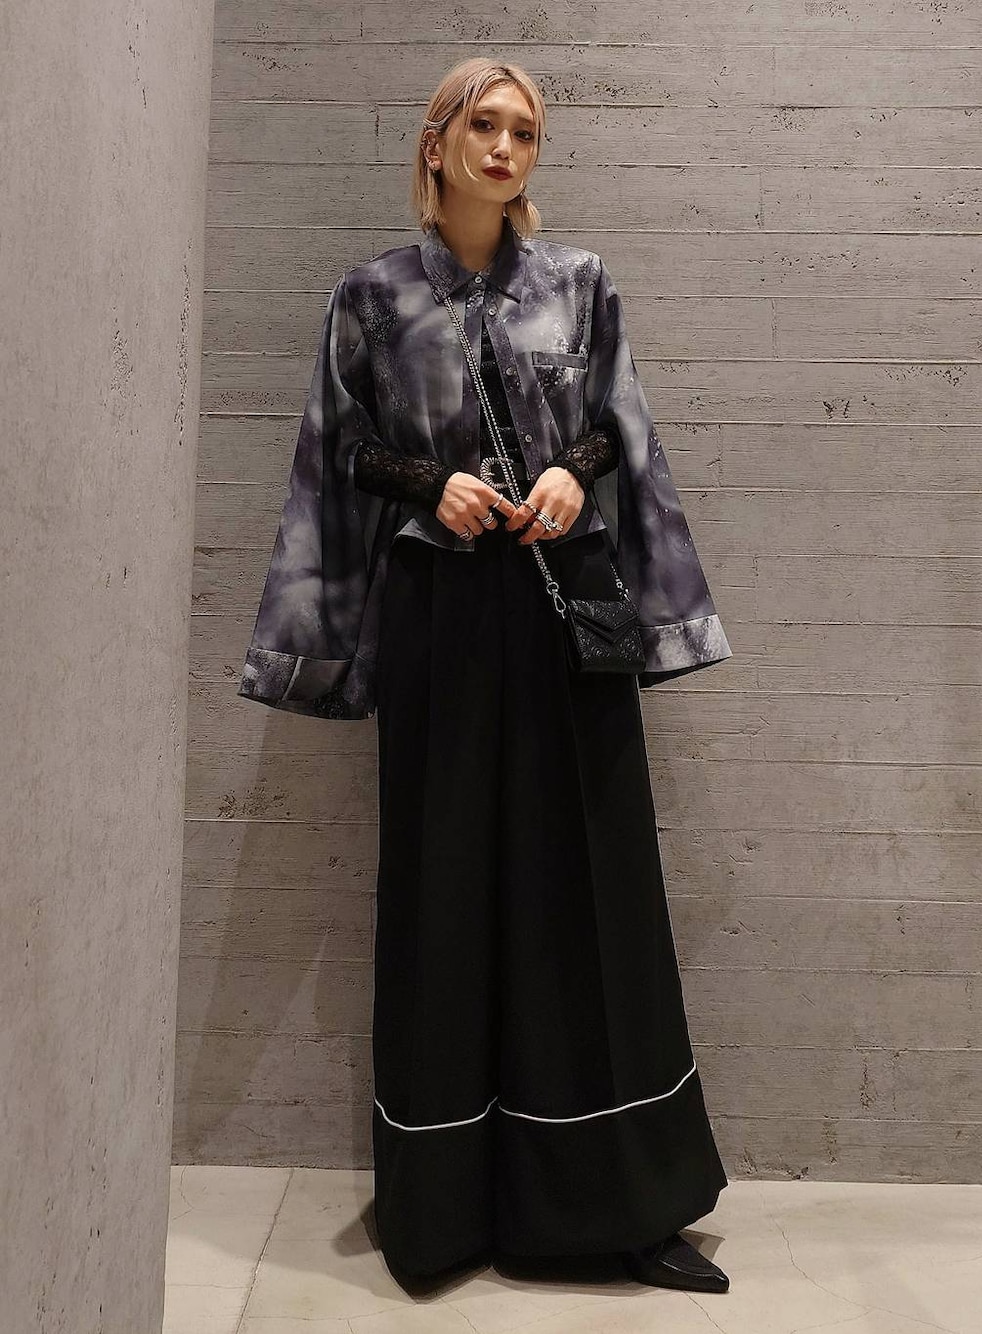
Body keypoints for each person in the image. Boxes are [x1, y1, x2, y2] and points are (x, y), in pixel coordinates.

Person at [237, 56, 734, 1297]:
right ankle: (443, 1209)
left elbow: (620, 424)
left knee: (592, 892)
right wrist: (429, 483)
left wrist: (571, 470)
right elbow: (337, 443)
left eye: (525, 132)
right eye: (486, 125)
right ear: (437, 141)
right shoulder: (372, 295)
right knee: (446, 884)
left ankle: (622, 1204)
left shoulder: (577, 283)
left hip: (567, 611)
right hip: (442, 616)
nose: (506, 148)